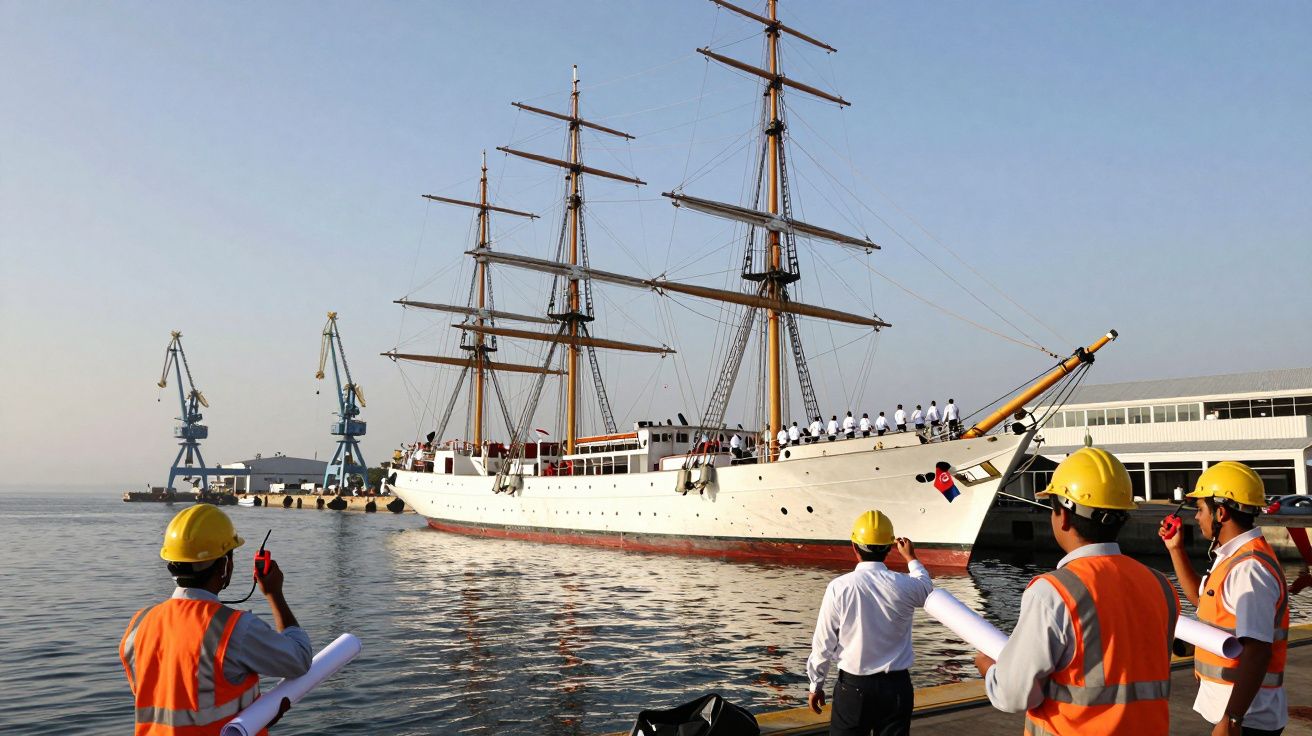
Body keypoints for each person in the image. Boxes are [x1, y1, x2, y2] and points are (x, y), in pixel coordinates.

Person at [974, 447, 1179, 736]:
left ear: (1064, 517)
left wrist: (989, 669)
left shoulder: (1053, 592)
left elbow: (1014, 695)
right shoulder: (1161, 585)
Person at [121, 505, 311, 734]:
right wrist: (274, 594)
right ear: (224, 566)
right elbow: (299, 659)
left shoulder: (138, 626)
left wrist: (253, 715)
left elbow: (173, 703)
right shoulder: (236, 630)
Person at [1159, 461, 1288, 736]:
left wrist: (1232, 719)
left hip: (1249, 719)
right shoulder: (1233, 558)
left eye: (1200, 510)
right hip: (1239, 713)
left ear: (1220, 512)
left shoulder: (1249, 569)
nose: (1196, 518)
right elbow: (1201, 599)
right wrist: (1175, 549)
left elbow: (1258, 651)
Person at [806, 510, 931, 736]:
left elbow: (823, 643)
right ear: (890, 548)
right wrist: (911, 557)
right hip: (897, 688)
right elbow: (926, 588)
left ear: (854, 547)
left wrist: (816, 685)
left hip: (854, 688)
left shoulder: (839, 587)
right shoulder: (905, 585)